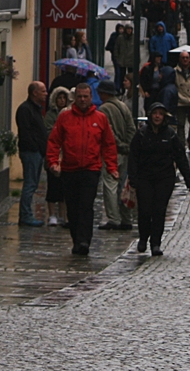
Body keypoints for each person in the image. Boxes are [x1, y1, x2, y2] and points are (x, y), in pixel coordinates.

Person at [46, 83, 119, 256]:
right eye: (79, 96)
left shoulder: (100, 118)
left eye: (86, 96)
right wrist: (53, 162)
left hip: (91, 169)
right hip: (70, 169)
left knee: (86, 205)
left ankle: (84, 240)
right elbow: (54, 141)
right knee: (72, 207)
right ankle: (76, 240)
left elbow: (108, 145)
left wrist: (111, 167)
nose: (83, 100)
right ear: (75, 98)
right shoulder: (65, 118)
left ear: (91, 97)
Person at [127, 104, 190, 256]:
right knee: (144, 209)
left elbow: (180, 156)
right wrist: (133, 177)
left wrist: (187, 177)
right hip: (145, 177)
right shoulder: (142, 134)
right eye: (155, 113)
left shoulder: (170, 135)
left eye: (160, 114)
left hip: (164, 177)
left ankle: (155, 242)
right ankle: (143, 237)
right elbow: (133, 157)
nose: (157, 116)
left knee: (159, 210)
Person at [96, 80, 136, 233]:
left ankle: (113, 219)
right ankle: (126, 218)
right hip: (126, 153)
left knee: (110, 185)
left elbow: (109, 133)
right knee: (124, 187)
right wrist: (129, 146)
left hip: (112, 152)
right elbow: (131, 128)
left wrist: (120, 145)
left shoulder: (104, 109)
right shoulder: (123, 106)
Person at [15, 81, 49, 226]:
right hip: (31, 152)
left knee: (32, 184)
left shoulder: (35, 109)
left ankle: (26, 214)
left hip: (36, 152)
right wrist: (37, 148)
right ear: (34, 93)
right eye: (43, 91)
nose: (46, 94)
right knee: (30, 184)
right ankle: (25, 215)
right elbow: (26, 132)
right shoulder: (25, 109)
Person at [43, 86, 73, 226]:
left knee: (64, 189)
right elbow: (49, 132)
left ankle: (62, 215)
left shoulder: (69, 113)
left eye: (64, 98)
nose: (62, 100)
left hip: (66, 156)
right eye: (59, 98)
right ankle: (52, 215)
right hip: (54, 155)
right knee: (52, 187)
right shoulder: (51, 115)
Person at [107, 23, 137, 88]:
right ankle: (121, 88)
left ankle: (131, 88)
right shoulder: (120, 38)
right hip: (122, 60)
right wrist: (117, 58)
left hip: (131, 60)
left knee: (131, 76)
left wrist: (137, 59)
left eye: (130, 29)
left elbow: (137, 49)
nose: (129, 31)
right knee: (121, 76)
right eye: (128, 29)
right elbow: (116, 48)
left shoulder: (134, 38)